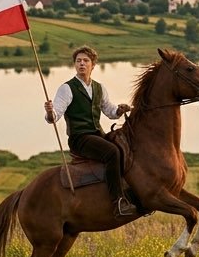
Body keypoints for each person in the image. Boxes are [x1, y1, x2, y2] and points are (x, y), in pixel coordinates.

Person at [43, 46, 136, 216]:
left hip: (97, 134)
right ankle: (118, 202)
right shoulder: (67, 88)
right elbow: (54, 116)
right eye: (78, 61)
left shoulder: (99, 88)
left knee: (125, 147)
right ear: (75, 65)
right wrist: (50, 112)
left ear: (93, 65)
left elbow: (110, 112)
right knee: (112, 152)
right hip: (79, 138)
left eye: (85, 61)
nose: (81, 64)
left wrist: (120, 110)